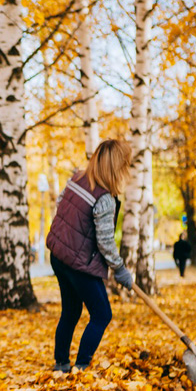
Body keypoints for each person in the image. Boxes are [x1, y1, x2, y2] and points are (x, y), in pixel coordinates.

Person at [45, 139, 133, 373]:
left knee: (71, 311)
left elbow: (60, 204)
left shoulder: (75, 179)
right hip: (76, 263)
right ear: (116, 168)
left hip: (59, 255)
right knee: (102, 314)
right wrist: (120, 269)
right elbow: (105, 241)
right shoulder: (104, 198)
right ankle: (81, 367)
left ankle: (61, 363)